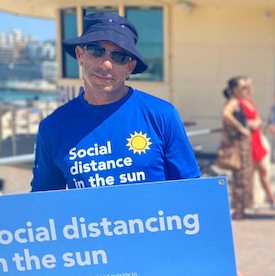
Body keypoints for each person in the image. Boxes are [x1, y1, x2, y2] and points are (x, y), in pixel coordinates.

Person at [31, 11, 200, 191]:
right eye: (96, 50)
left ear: (129, 67)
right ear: (80, 55)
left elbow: (192, 192)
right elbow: (44, 202)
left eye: (119, 56)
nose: (106, 64)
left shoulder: (162, 116)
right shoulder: (53, 127)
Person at [238, 77, 275, 210]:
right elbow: (246, 122)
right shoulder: (239, 103)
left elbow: (257, 119)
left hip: (257, 138)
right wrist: (253, 123)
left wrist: (257, 122)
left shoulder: (249, 101)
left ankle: (269, 199)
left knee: (262, 171)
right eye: (246, 86)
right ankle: (268, 200)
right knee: (255, 173)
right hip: (250, 141)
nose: (250, 88)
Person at [221, 77, 254, 220]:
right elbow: (225, 114)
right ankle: (239, 209)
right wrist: (241, 128)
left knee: (245, 176)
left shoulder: (240, 103)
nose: (246, 90)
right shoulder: (233, 102)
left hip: (243, 146)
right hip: (239, 146)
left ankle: (243, 207)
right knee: (240, 178)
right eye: (243, 88)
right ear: (235, 90)